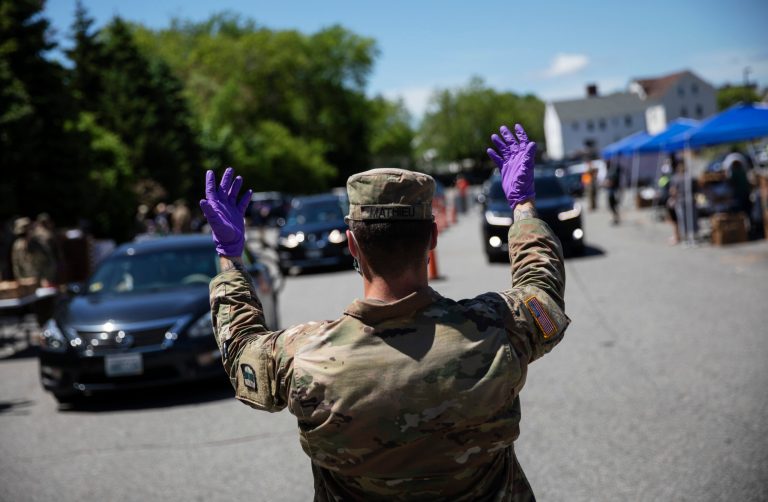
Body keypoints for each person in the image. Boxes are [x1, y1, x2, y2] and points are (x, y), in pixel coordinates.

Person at [201, 123, 569, 500]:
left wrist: (229, 256)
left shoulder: (303, 358)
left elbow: (240, 348)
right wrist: (522, 208)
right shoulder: (498, 328)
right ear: (432, 238)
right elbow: (543, 293)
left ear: (352, 244)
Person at [10, 217, 56, 287]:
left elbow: (50, 263)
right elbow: (16, 265)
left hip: (41, 282)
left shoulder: (39, 245)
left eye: (25, 234)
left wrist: (47, 278)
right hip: (26, 283)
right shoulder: (17, 246)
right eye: (21, 235)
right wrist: (20, 280)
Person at [605, 158, 622, 224]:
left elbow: (611, 182)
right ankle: (615, 218)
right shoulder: (610, 171)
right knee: (612, 206)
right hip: (612, 191)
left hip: (613, 192)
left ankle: (616, 218)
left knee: (613, 205)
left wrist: (606, 184)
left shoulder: (612, 172)